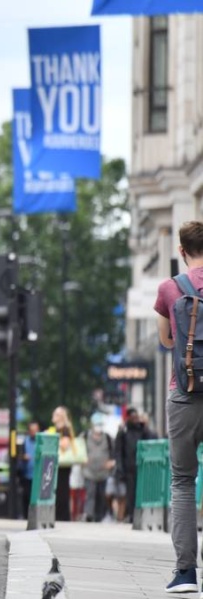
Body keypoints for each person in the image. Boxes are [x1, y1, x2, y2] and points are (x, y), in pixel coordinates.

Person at [155, 220, 203, 593]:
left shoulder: (170, 288)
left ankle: (186, 573)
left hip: (184, 393)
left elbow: (167, 340)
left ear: (181, 250)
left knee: (183, 482)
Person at [113, 407, 155, 525]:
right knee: (130, 493)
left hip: (141, 467)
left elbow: (150, 441)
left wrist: (144, 427)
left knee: (141, 492)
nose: (135, 420)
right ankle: (131, 514)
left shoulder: (142, 430)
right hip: (128, 468)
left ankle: (140, 514)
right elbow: (118, 451)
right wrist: (120, 467)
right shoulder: (123, 431)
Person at [50, 406, 85, 522]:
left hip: (63, 465)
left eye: (56, 414)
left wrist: (53, 439)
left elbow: (65, 444)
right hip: (59, 464)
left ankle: (63, 516)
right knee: (58, 490)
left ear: (61, 416)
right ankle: (59, 515)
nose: (53, 415)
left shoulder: (64, 429)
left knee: (62, 491)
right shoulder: (56, 429)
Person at [82, 413, 115, 523]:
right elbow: (78, 448)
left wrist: (111, 462)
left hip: (103, 472)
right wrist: (83, 459)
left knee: (101, 495)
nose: (98, 426)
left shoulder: (108, 438)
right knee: (90, 493)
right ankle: (89, 514)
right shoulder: (85, 436)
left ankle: (99, 516)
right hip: (89, 471)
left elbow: (113, 453)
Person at [19, 422, 40, 519]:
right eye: (32, 431)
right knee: (27, 496)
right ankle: (26, 516)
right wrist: (23, 457)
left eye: (36, 430)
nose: (34, 433)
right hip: (27, 475)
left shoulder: (41, 441)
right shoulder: (25, 442)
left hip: (38, 475)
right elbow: (20, 455)